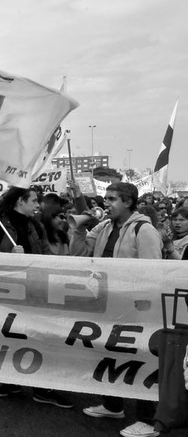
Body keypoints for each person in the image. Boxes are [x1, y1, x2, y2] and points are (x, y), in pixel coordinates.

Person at [71, 182, 162, 437]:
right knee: (109, 354)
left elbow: (154, 274)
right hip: (108, 305)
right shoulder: (105, 227)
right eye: (106, 198)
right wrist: (78, 229)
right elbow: (78, 254)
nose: (106, 203)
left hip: (136, 309)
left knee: (140, 358)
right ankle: (113, 405)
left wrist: (144, 309)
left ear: (128, 202)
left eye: (112, 199)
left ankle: (149, 419)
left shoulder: (144, 230)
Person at [0, 186, 72, 409]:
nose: (37, 205)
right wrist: (10, 259)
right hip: (8, 293)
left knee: (37, 337)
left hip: (34, 291)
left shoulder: (36, 225)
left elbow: (45, 257)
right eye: (33, 201)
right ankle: (10, 382)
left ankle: (42, 388)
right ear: (20, 201)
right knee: (10, 337)